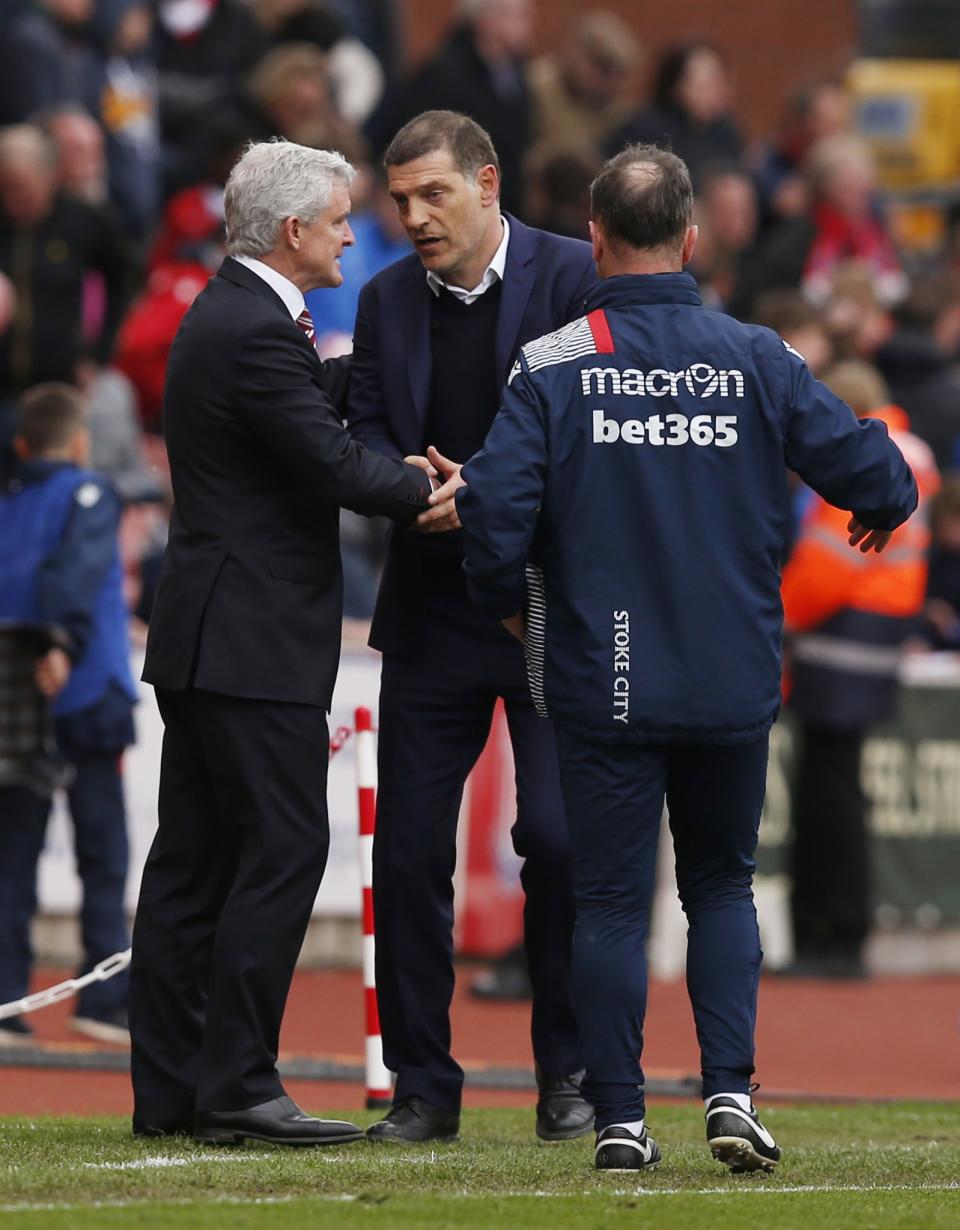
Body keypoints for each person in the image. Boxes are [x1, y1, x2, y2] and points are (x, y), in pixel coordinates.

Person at [456, 144, 918, 1173]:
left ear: (594, 239)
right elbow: (869, 465)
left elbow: (490, 516)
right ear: (693, 239)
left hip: (602, 669)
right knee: (721, 887)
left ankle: (619, 1117)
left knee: (613, 900)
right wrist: (884, 501)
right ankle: (728, 1095)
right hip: (728, 669)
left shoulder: (552, 364)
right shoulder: (754, 354)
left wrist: (511, 612)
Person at [128, 138, 436, 1147]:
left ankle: (177, 1092)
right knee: (282, 843)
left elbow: (296, 420)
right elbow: (331, 466)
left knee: (194, 863)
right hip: (250, 637)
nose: (356, 232)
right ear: (295, 230)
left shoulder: (238, 316)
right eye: (342, 218)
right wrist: (433, 489)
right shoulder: (254, 329)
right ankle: (242, 1086)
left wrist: (355, 382)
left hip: (213, 631)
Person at [347, 109, 596, 1144]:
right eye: (399, 200)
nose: (413, 217)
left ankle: (571, 1081)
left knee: (560, 841)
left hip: (547, 608)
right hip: (432, 614)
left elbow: (597, 428)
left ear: (488, 183)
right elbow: (361, 430)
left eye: (432, 194)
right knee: (406, 856)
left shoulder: (576, 278)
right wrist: (402, 484)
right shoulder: (382, 297)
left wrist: (487, 488)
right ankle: (423, 1090)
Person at [781, 361, 937, 980]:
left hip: (842, 635)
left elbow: (829, 560)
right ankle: (837, 934)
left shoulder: (863, 453)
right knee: (838, 791)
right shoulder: (912, 449)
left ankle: (833, 940)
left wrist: (775, 615)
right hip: (880, 630)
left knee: (828, 797)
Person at [0, 383, 137, 1047]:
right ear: (80, 444)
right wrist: (60, 641)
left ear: (23, 445)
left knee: (12, 854)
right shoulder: (88, 493)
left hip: (14, 699)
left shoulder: (9, 499)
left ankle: (5, 1001)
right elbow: (76, 575)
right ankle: (104, 997)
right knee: (103, 853)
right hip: (86, 690)